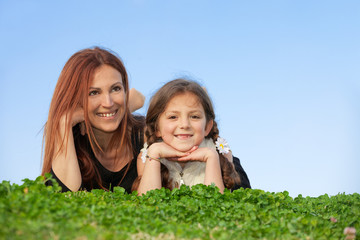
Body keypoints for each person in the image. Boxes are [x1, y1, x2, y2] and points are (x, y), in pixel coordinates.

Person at [41, 47, 146, 193]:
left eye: (116, 89)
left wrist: (125, 108)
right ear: (75, 99)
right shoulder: (71, 140)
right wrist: (63, 123)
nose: (108, 103)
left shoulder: (146, 134)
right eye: (94, 92)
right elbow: (64, 200)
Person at [135, 79, 250, 195]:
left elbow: (216, 208)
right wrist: (155, 153)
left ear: (207, 127)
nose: (184, 125)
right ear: (157, 128)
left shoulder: (222, 154)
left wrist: (211, 158)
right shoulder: (147, 156)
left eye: (194, 116)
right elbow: (147, 205)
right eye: (173, 117)